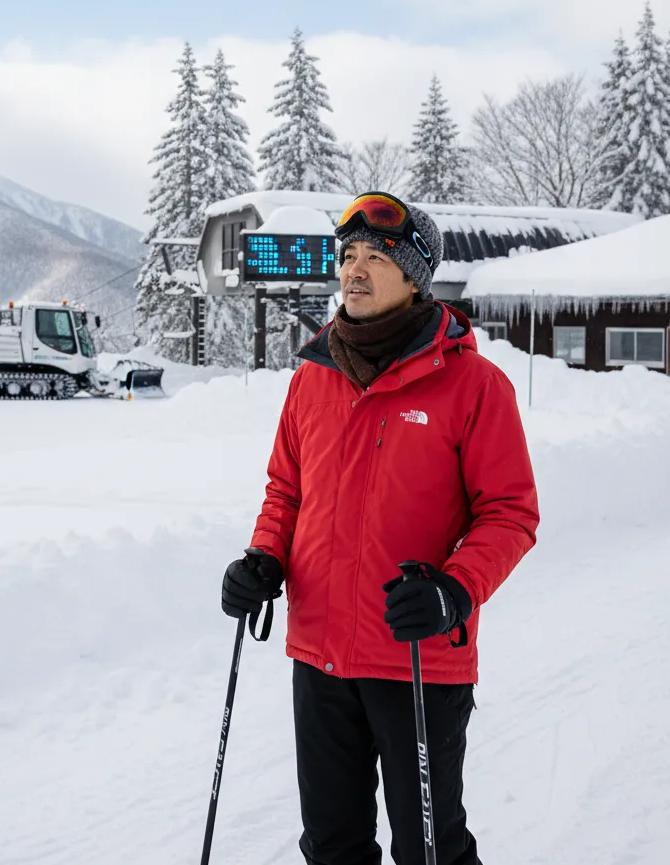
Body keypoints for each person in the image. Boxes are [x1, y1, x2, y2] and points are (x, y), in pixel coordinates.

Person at [221, 192, 539, 865]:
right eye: (348, 257)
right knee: (333, 846)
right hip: (320, 655)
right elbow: (286, 490)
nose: (354, 271)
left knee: (430, 849)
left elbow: (510, 513)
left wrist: (456, 591)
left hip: (417, 655)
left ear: (416, 277)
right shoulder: (312, 379)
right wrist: (263, 559)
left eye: (376, 257)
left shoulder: (474, 386)